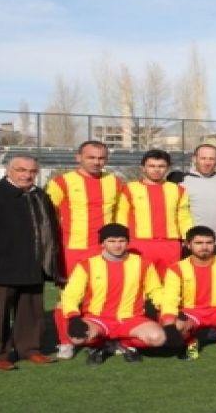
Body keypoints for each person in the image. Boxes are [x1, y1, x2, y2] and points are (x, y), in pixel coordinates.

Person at [0, 155, 59, 370]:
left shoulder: (40, 195)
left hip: (33, 263)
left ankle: (30, 349)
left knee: (31, 311)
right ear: (9, 170)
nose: (26, 175)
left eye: (31, 171)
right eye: (21, 170)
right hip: (1, 264)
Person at [45, 140, 124, 359]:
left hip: (105, 251)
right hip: (72, 250)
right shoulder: (62, 182)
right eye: (91, 157)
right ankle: (65, 341)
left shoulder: (114, 182)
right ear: (78, 157)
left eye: (101, 158)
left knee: (106, 296)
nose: (97, 162)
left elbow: (120, 215)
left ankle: (102, 340)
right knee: (68, 297)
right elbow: (47, 218)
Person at [61, 224, 167, 366]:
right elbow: (70, 295)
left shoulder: (143, 264)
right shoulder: (86, 265)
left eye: (121, 241)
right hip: (97, 319)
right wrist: (73, 318)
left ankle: (124, 344)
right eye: (111, 241)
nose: (117, 245)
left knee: (158, 338)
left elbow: (156, 291)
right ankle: (100, 345)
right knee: (77, 338)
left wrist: (169, 310)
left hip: (130, 319)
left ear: (128, 242)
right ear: (102, 243)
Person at [160, 226, 216, 360]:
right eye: (199, 243)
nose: (204, 247)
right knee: (174, 327)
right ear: (188, 245)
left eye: (209, 243)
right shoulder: (176, 269)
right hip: (191, 312)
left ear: (214, 244)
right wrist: (170, 328)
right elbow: (170, 300)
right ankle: (191, 341)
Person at [116, 149, 193, 280]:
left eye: (161, 166)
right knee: (138, 283)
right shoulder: (129, 189)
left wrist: (189, 236)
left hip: (170, 245)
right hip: (138, 244)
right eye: (152, 166)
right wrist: (120, 242)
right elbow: (121, 218)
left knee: (169, 283)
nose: (156, 170)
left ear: (167, 168)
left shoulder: (178, 190)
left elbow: (184, 217)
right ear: (143, 168)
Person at [167, 144, 216, 257]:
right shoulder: (180, 181)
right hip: (193, 241)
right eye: (203, 158)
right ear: (194, 159)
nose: (207, 162)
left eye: (211, 159)